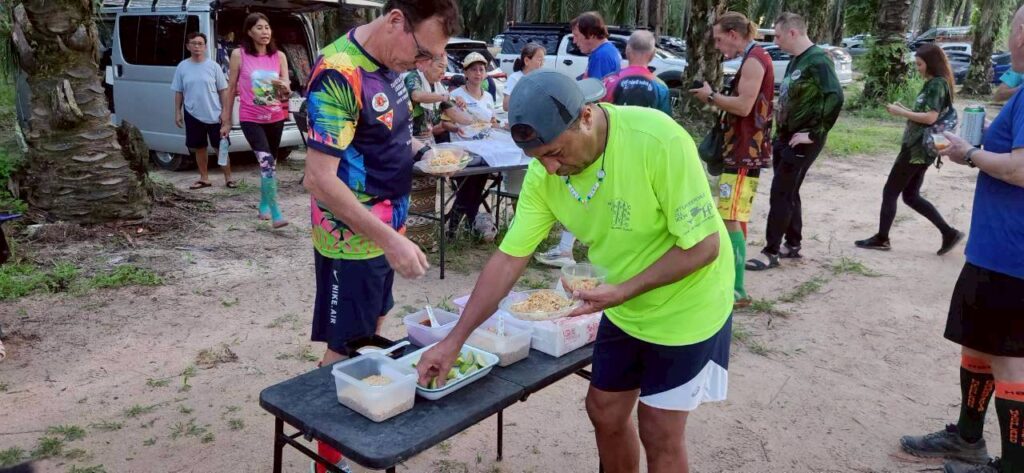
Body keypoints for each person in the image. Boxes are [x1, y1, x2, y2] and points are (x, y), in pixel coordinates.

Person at [415, 71, 734, 473]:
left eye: (555, 153)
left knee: (658, 430)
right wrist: (453, 342)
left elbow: (704, 247)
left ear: (585, 116)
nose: (549, 169)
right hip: (625, 305)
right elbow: (509, 259)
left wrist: (622, 290)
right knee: (604, 410)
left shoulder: (657, 139)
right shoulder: (544, 175)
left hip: (687, 306)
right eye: (538, 159)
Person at [302, 1, 459, 471]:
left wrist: (425, 154)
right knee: (344, 346)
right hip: (353, 240)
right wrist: (391, 241)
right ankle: (328, 459)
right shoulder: (339, 72)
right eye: (423, 52)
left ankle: (353, 429)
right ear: (395, 21)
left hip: (389, 228)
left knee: (370, 332)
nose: (423, 64)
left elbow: (387, 138)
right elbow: (319, 179)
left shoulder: (393, 67)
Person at [899, 7, 1024, 473]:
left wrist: (970, 152)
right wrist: (976, 147)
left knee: (1010, 360)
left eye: (1012, 29)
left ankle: (1013, 465)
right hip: (996, 248)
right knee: (979, 343)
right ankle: (968, 437)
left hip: (1011, 251)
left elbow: (1020, 169)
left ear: (1021, 36)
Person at [745, 12, 843, 271]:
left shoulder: (819, 60)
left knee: (781, 192)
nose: (775, 41)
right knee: (790, 190)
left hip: (803, 140)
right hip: (786, 136)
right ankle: (793, 243)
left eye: (778, 36)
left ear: (793, 32)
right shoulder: (797, 60)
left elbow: (835, 97)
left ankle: (771, 252)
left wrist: (814, 134)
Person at [689, 12, 773, 306]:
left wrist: (711, 97)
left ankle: (737, 290)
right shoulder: (755, 57)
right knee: (735, 214)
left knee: (729, 217)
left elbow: (744, 106)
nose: (717, 45)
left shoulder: (753, 61)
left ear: (734, 34)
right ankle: (734, 283)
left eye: (719, 39)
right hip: (742, 151)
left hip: (743, 153)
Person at [533, 11, 625, 268]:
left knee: (578, 186)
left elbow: (593, 96)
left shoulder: (602, 55)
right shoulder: (604, 53)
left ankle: (566, 248)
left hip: (591, 134)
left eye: (576, 35)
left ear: (590, 34)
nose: (574, 41)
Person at [855, 43, 964, 254]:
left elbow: (930, 117)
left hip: (916, 149)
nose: (917, 68)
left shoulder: (937, 84)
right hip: (921, 149)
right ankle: (948, 232)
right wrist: (904, 109)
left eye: (920, 64)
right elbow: (927, 116)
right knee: (911, 196)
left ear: (931, 63)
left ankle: (882, 238)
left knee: (890, 192)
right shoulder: (937, 83)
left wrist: (902, 113)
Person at [222, 13, 291, 228]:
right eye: (259, 28)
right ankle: (276, 212)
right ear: (249, 32)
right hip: (251, 118)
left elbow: (286, 89)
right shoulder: (239, 55)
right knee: (266, 162)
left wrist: (284, 87)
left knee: (270, 165)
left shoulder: (279, 56)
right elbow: (231, 88)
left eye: (267, 27)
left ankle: (263, 205)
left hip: (276, 117)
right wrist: (226, 120)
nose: (265, 32)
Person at [447, 52, 500, 241]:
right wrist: (457, 127)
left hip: (485, 150)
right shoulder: (455, 96)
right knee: (467, 189)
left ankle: (469, 227)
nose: (478, 73)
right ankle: (453, 229)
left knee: (477, 189)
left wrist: (498, 125)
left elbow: (492, 121)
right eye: (474, 70)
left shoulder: (488, 97)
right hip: (463, 150)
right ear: (466, 73)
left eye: (481, 69)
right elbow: (444, 123)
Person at [172, 32, 234, 190]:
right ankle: (204, 178)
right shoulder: (182, 67)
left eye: (200, 43)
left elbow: (223, 91)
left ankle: (228, 178)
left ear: (205, 47)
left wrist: (225, 113)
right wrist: (177, 112)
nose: (197, 46)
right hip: (192, 113)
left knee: (221, 146)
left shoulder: (213, 66)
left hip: (215, 113)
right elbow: (178, 91)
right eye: (193, 43)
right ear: (188, 46)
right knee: (199, 147)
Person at [603, 30, 672, 116]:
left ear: (627, 50)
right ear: (653, 53)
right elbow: (665, 120)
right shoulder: (661, 87)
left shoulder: (609, 81)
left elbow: (599, 115)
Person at [503, 42, 546, 112]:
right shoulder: (515, 78)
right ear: (526, 61)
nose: (542, 64)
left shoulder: (540, 79)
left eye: (543, 60)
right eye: (539, 60)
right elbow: (506, 106)